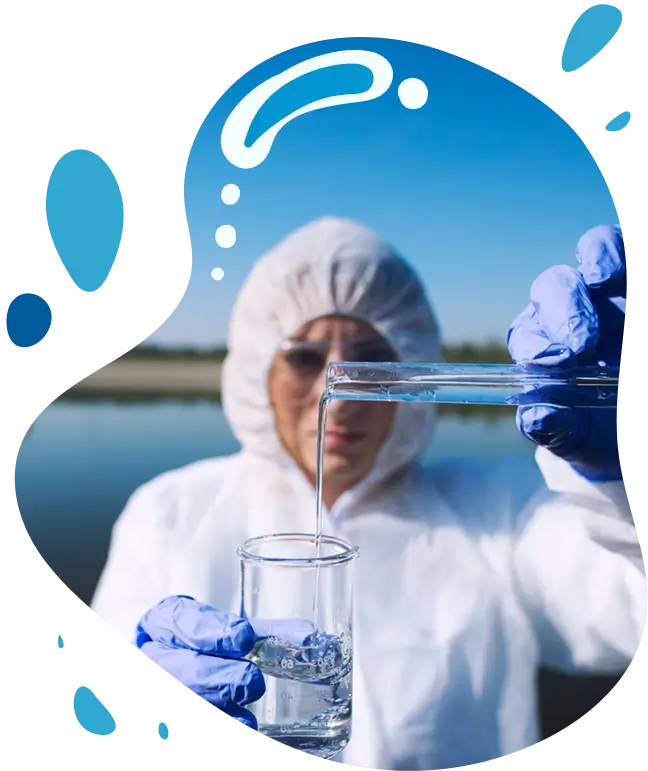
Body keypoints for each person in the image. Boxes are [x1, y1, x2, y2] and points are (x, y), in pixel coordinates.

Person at [90, 217, 644, 769]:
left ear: (410, 372)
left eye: (371, 359)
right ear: (258, 371)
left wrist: (622, 490)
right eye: (303, 357)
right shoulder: (170, 514)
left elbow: (630, 605)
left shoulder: (497, 510)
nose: (343, 393)